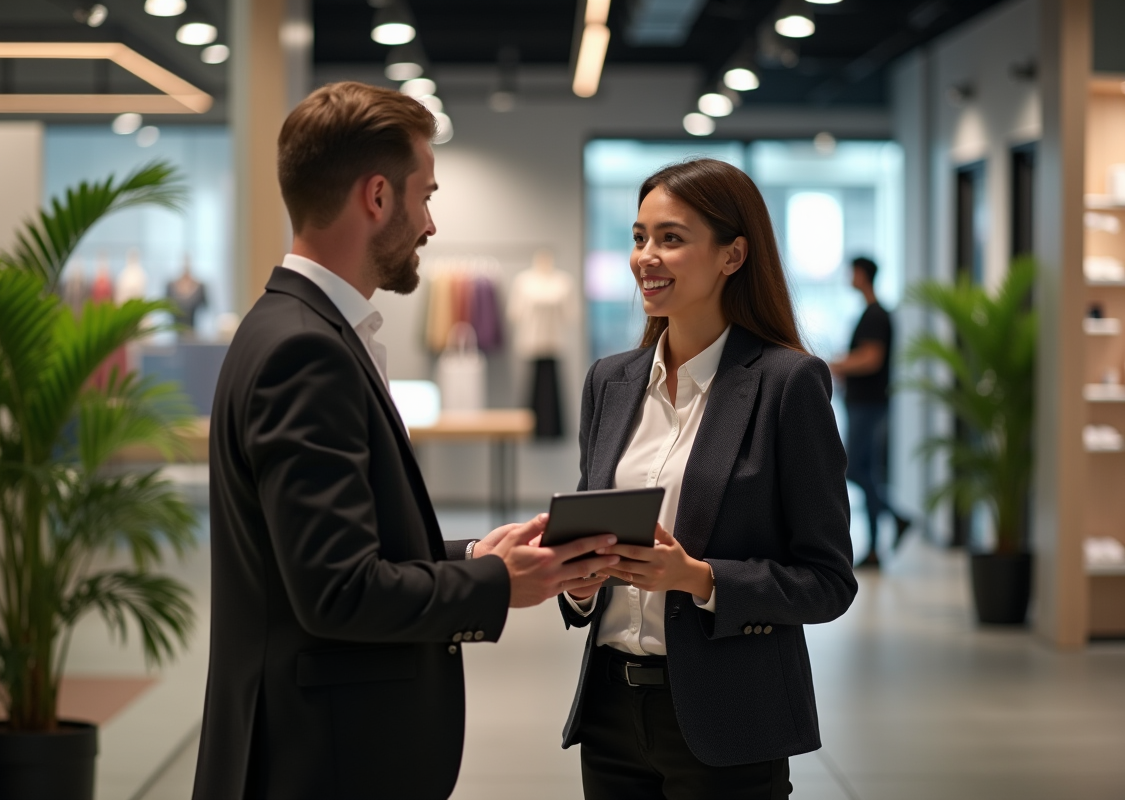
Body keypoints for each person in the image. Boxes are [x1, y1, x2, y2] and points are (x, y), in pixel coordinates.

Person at [191, 82, 620, 800]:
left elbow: (336, 551)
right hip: (323, 760)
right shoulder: (307, 353)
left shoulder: (285, 328)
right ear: (378, 197)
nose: (430, 223)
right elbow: (336, 591)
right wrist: (497, 585)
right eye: (425, 195)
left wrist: (478, 554)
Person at [559, 159, 858, 800]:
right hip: (611, 714)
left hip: (730, 718)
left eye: (671, 238)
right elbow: (593, 539)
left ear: (733, 255)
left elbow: (828, 582)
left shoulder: (786, 385)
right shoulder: (609, 382)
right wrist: (578, 583)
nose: (647, 256)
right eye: (639, 237)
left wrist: (699, 578)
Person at [829, 256, 911, 568]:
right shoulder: (870, 313)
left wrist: (837, 364)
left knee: (857, 470)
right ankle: (879, 544)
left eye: (852, 272)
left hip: (869, 405)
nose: (849, 277)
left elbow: (872, 358)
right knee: (865, 470)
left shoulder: (876, 315)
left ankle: (894, 522)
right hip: (864, 403)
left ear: (862, 275)